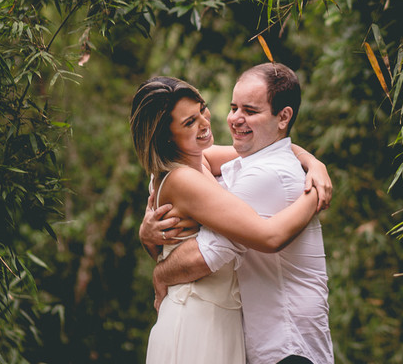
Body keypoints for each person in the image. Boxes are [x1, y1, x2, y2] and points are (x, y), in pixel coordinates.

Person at [130, 76, 328, 364]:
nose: (204, 123)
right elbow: (268, 236)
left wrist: (314, 164)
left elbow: (270, 148)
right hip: (198, 316)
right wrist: (313, 194)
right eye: (189, 123)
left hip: (221, 314)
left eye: (202, 109)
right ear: (166, 137)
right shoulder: (183, 178)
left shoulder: (198, 160)